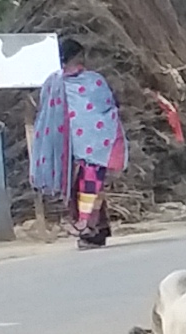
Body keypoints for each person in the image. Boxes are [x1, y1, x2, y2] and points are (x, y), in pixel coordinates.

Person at [35, 36, 125, 249]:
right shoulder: (88, 81)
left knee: (88, 187)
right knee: (83, 189)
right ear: (77, 57)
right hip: (81, 145)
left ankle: (88, 229)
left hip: (80, 147)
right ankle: (95, 231)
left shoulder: (53, 83)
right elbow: (109, 105)